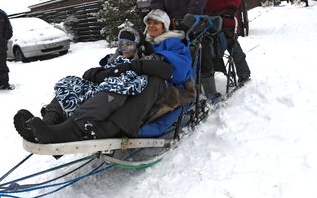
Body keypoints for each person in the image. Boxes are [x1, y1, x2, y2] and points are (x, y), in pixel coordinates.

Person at [14, 9, 193, 144]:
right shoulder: (144, 43)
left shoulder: (173, 42)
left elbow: (178, 70)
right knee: (76, 85)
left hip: (164, 86)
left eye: (157, 23)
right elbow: (121, 59)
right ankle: (49, 123)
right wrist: (100, 72)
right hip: (135, 78)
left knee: (123, 85)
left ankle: (71, 129)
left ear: (165, 26)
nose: (152, 26)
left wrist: (135, 66)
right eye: (149, 23)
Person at [200, 0, 251, 86]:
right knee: (204, 47)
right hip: (207, 18)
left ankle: (244, 73)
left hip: (225, 15)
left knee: (231, 43)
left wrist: (231, 7)